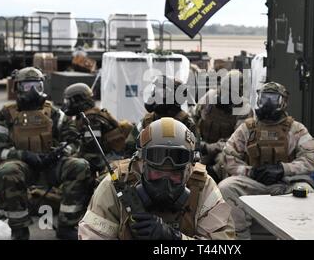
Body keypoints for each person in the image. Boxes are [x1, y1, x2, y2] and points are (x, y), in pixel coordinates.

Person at [78, 118, 235, 240]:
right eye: (157, 173)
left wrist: (174, 238)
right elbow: (92, 235)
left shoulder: (202, 186)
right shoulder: (116, 184)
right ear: (141, 165)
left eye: (174, 175)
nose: (165, 183)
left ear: (188, 170)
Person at [0, 67, 93, 240]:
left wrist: (59, 153)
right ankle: (19, 230)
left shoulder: (54, 113)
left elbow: (72, 139)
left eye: (38, 86)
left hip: (50, 165)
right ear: (18, 88)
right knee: (7, 172)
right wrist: (24, 156)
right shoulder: (5, 114)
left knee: (79, 166)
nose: (34, 91)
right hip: (23, 167)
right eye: (28, 86)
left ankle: (67, 225)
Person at [217, 82, 314, 239]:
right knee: (226, 187)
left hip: (284, 184)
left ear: (283, 102)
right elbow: (228, 156)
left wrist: (284, 169)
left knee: (307, 192)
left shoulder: (295, 129)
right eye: (264, 99)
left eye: (273, 99)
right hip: (254, 183)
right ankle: (239, 238)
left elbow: (313, 157)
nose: (267, 104)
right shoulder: (248, 128)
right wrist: (249, 171)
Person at [62, 83, 138, 174]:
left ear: (78, 100)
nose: (67, 105)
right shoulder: (90, 114)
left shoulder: (90, 118)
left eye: (68, 101)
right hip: (110, 154)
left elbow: (92, 148)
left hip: (111, 157)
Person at [194, 70, 253, 182]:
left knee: (224, 162)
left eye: (231, 91)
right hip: (202, 146)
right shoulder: (209, 97)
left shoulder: (244, 109)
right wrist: (196, 142)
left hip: (225, 151)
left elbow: (238, 142)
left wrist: (211, 147)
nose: (225, 93)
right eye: (224, 88)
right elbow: (193, 119)